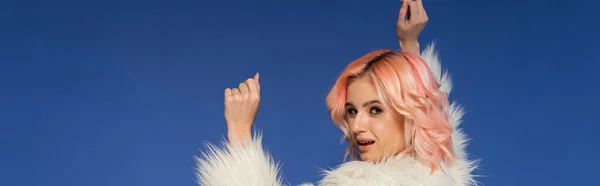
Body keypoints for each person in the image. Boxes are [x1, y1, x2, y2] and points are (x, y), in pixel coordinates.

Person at [195, 0, 478, 185]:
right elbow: (436, 122)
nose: (356, 125)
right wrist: (409, 45)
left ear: (410, 113)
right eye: (352, 111)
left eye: (375, 110)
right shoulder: (440, 174)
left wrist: (241, 134)